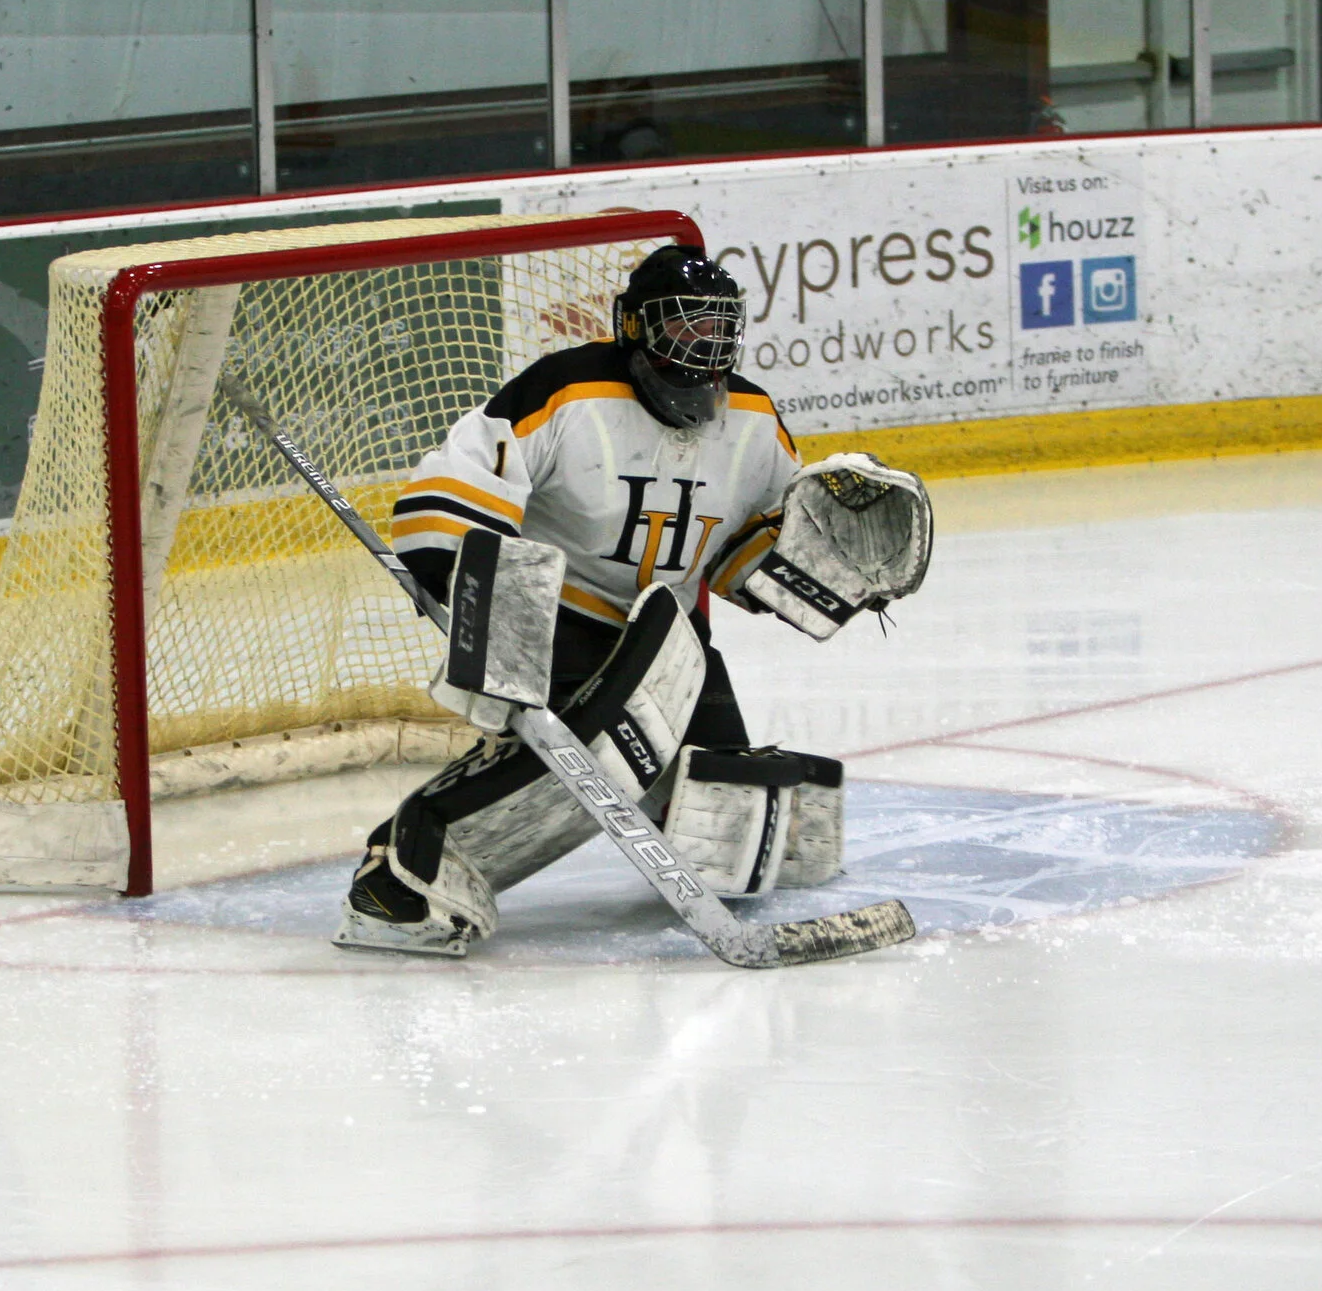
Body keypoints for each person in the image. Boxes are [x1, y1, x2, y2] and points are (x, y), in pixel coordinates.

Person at [336, 243, 931, 956]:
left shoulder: (752, 418)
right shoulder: (567, 391)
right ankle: (396, 874)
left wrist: (836, 565)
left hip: (668, 638)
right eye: (684, 326)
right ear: (634, 327)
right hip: (561, 620)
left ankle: (632, 787)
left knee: (732, 828)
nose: (703, 346)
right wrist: (487, 608)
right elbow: (455, 495)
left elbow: (751, 555)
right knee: (587, 760)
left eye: (718, 329)